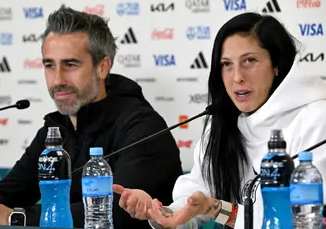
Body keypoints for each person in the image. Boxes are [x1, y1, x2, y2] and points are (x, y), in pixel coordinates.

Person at [0, 6, 183, 229]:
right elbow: (13, 188)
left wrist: (13, 217)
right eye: (49, 65)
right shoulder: (56, 128)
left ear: (102, 67)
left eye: (70, 65)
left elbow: (116, 212)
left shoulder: (144, 127)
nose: (57, 79)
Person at [113, 12, 326, 228]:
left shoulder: (315, 120)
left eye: (249, 60)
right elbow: (194, 202)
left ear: (276, 65)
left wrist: (216, 208)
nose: (237, 77)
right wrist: (160, 213)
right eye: (226, 64)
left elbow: (298, 218)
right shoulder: (223, 124)